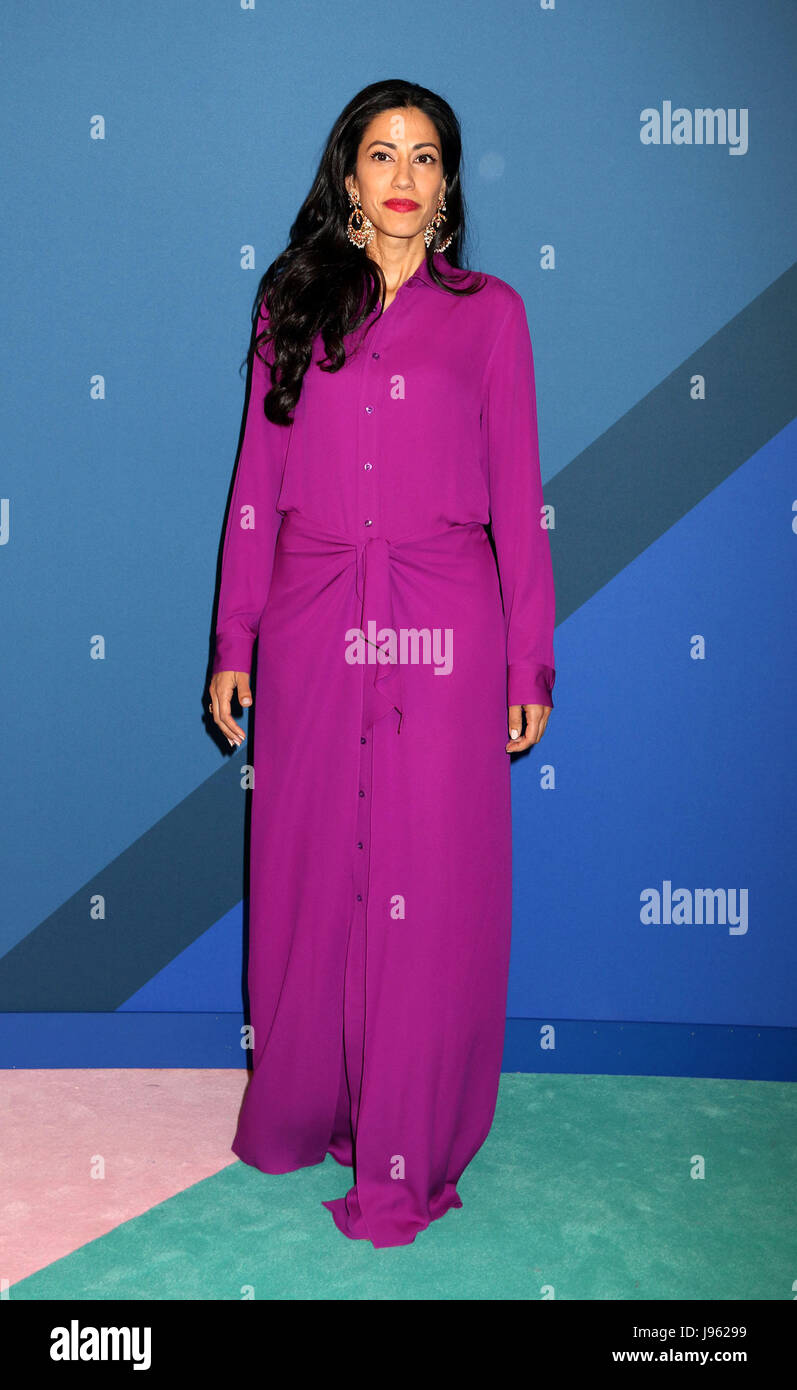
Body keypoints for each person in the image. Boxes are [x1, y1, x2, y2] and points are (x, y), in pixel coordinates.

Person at [208, 78, 556, 1248]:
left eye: (424, 156)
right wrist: (232, 636)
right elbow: (254, 488)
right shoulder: (293, 300)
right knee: (310, 862)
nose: (403, 174)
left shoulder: (490, 316)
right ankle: (305, 1103)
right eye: (379, 154)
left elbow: (517, 499)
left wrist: (526, 666)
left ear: (446, 184)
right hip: (310, 618)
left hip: (444, 624)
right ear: (347, 178)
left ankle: (406, 1130)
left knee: (426, 880)